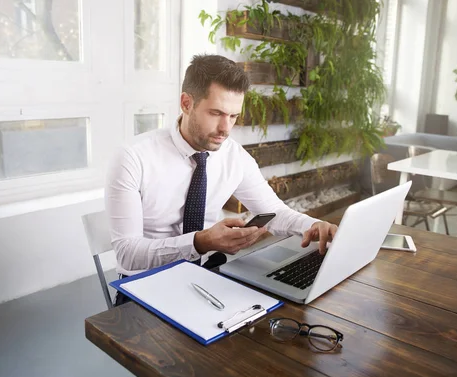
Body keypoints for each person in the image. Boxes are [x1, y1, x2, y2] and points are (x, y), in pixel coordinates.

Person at [106, 54, 338, 306]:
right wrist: (200, 242)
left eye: (233, 116)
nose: (226, 128)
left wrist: (312, 224)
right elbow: (127, 254)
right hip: (144, 287)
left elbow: (275, 213)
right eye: (216, 113)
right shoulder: (132, 157)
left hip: (207, 279)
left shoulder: (234, 156)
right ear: (186, 103)